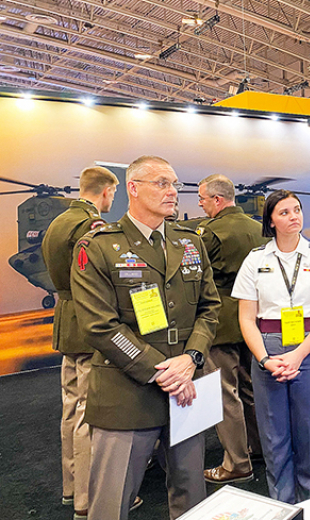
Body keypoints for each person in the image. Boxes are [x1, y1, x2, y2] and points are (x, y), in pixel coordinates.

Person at [71, 155, 221, 520]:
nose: (173, 192)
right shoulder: (98, 247)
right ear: (133, 189)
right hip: (128, 393)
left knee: (192, 496)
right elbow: (100, 326)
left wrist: (191, 360)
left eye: (174, 184)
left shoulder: (189, 242)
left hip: (188, 387)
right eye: (162, 183)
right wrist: (162, 371)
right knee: (112, 501)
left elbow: (209, 308)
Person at [232, 190, 310, 503]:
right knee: (273, 435)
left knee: (308, 433)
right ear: (270, 220)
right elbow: (246, 318)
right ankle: (281, 504)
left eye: (297, 210)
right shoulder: (256, 260)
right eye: (284, 212)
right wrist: (266, 358)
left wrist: (298, 354)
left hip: (307, 350)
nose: (294, 216)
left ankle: (309, 501)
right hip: (266, 350)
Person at [41, 166, 118, 519]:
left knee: (71, 409)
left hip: (65, 323)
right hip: (88, 326)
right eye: (113, 194)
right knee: (89, 412)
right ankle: (88, 499)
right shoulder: (91, 226)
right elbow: (97, 279)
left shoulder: (57, 223)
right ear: (104, 192)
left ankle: (72, 488)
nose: (111, 200)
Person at [196, 174, 269, 484]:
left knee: (224, 394)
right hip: (254, 319)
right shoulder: (259, 230)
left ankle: (236, 463)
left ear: (217, 200)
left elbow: (198, 278)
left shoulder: (209, 234)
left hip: (221, 322)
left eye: (202, 199)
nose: (199, 204)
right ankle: (260, 447)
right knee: (252, 389)